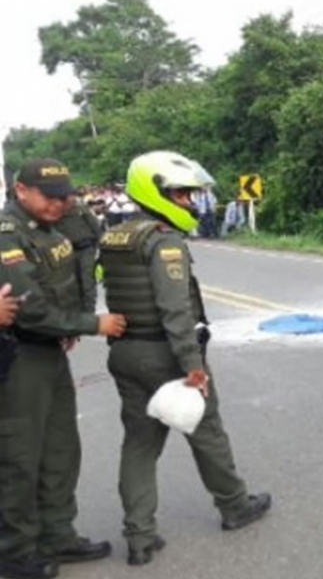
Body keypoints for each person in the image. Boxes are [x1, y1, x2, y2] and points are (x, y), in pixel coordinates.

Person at [98, 151, 271, 567]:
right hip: (164, 353)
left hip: (124, 351)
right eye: (179, 194)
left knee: (139, 444)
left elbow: (101, 286)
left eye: (189, 194)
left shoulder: (116, 237)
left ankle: (139, 537)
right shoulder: (164, 242)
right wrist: (192, 364)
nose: (189, 202)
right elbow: (176, 311)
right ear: (153, 192)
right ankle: (234, 505)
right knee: (206, 431)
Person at [0, 158, 127, 579]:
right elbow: (29, 308)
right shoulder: (8, 236)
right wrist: (91, 324)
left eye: (65, 197)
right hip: (20, 357)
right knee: (20, 455)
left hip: (50, 351)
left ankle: (57, 535)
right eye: (50, 196)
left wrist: (69, 320)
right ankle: (15, 551)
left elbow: (64, 283)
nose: (60, 204)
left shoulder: (53, 230)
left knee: (60, 450)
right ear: (21, 191)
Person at [54, 194, 103, 313]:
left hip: (87, 248)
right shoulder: (57, 213)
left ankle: (89, 311)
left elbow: (95, 226)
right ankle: (79, 310)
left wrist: (102, 246)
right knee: (74, 282)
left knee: (87, 281)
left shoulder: (81, 209)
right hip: (69, 251)